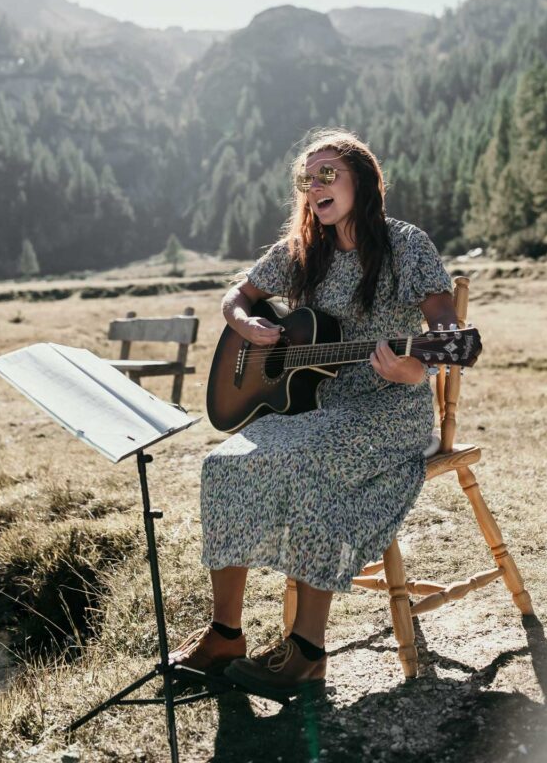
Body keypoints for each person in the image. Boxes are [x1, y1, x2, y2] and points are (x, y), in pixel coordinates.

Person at [170, 128, 458, 698]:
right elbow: (238, 294)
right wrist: (242, 322)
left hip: (388, 411)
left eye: (328, 173)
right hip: (317, 405)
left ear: (362, 181)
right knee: (224, 463)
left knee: (308, 465)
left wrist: (417, 369)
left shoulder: (405, 245)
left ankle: (306, 652)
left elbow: (451, 337)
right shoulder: (303, 249)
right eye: (308, 178)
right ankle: (226, 634)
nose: (315, 186)